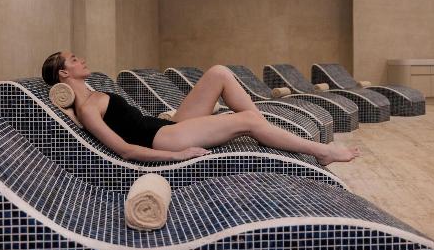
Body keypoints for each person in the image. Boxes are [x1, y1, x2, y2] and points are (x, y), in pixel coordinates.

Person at [42, 51, 359, 165]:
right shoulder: (87, 109)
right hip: (166, 140)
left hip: (166, 126)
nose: (82, 60)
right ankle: (321, 151)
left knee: (219, 73)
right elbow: (125, 150)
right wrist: (177, 156)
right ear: (64, 74)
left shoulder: (92, 95)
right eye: (74, 60)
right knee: (248, 120)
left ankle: (265, 130)